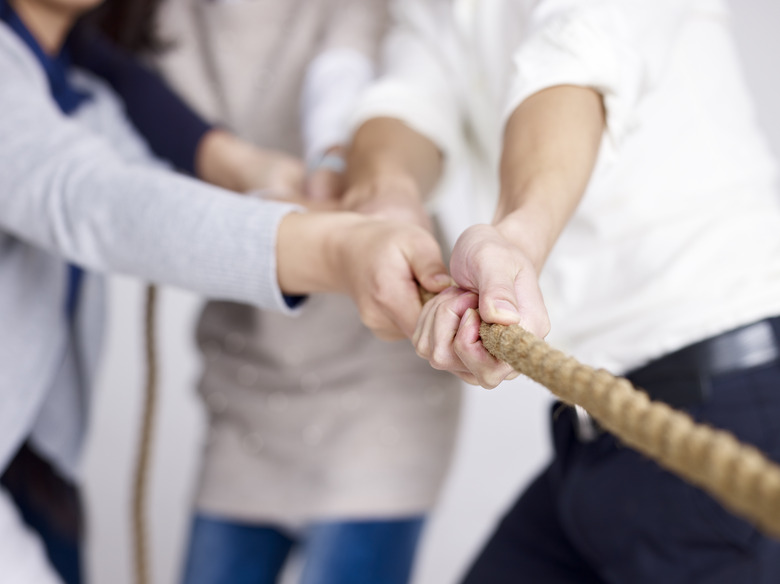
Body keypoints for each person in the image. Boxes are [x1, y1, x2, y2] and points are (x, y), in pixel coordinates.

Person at [0, 0, 452, 581]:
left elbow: (150, 183)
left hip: (41, 457)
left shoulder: (85, 82)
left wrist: (279, 183)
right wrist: (335, 250)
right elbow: (98, 202)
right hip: (231, 399)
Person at [345, 0, 780, 582]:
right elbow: (405, 100)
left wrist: (515, 239)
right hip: (596, 427)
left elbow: (577, 55)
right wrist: (388, 203)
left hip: (727, 398)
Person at [144, 2, 464, 583]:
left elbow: (343, 76)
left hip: (376, 384)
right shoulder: (149, 19)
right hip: (244, 378)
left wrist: (328, 164)